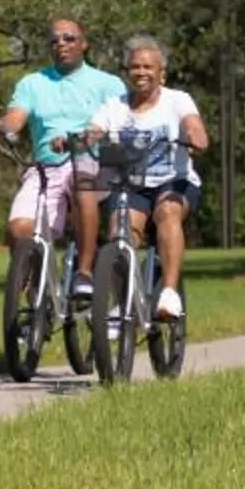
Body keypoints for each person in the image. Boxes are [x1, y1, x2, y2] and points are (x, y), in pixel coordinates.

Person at [0, 16, 126, 303]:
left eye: (69, 38)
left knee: (81, 183)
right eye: (54, 40)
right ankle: (40, 295)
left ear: (84, 44)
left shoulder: (108, 84)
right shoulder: (33, 83)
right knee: (19, 229)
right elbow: (16, 118)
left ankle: (84, 273)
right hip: (46, 168)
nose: (61, 44)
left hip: (92, 164)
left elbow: (121, 125)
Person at [85, 34, 208, 320]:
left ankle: (168, 292)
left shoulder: (178, 99)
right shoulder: (114, 106)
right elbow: (94, 130)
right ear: (127, 72)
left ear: (161, 74)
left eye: (148, 67)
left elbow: (193, 125)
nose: (141, 72)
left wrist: (196, 137)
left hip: (174, 181)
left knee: (167, 212)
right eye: (135, 67)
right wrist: (78, 140)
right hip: (132, 187)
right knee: (120, 233)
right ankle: (121, 303)